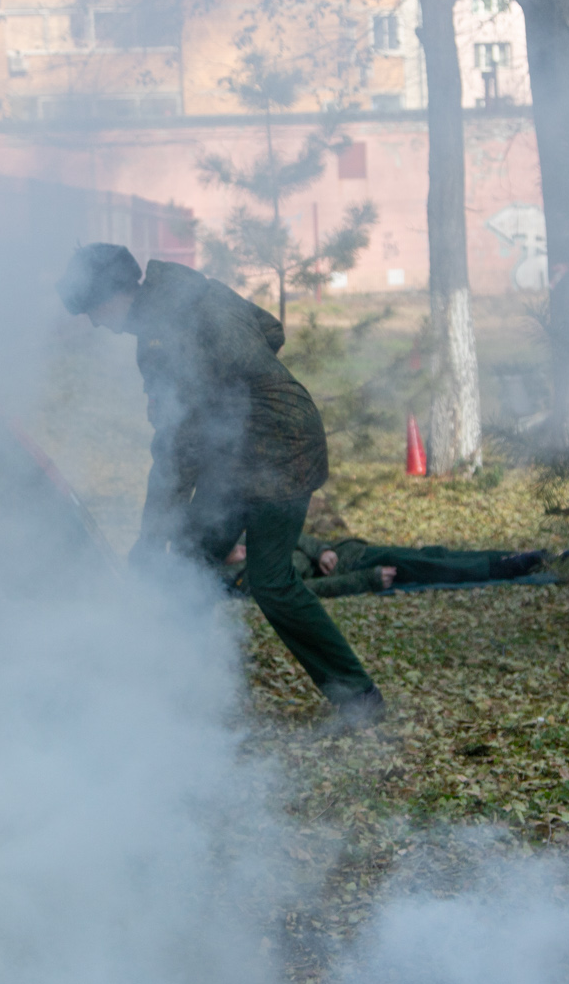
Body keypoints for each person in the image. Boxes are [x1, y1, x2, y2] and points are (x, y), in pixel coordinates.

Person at [56, 243, 386, 728]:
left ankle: (360, 699)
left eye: (93, 310)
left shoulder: (168, 334)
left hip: (280, 449)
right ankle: (173, 684)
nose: (95, 323)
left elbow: (178, 448)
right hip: (239, 455)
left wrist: (150, 537)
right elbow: (269, 329)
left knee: (271, 581)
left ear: (115, 293)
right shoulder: (182, 303)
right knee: (189, 562)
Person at [223, 534, 551, 597]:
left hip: (352, 551)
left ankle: (513, 556)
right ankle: (502, 568)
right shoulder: (253, 580)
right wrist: (367, 580)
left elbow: (293, 533)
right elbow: (312, 589)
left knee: (432, 554)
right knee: (426, 566)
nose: (241, 548)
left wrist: (322, 549)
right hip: (356, 570)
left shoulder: (250, 542)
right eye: (233, 551)